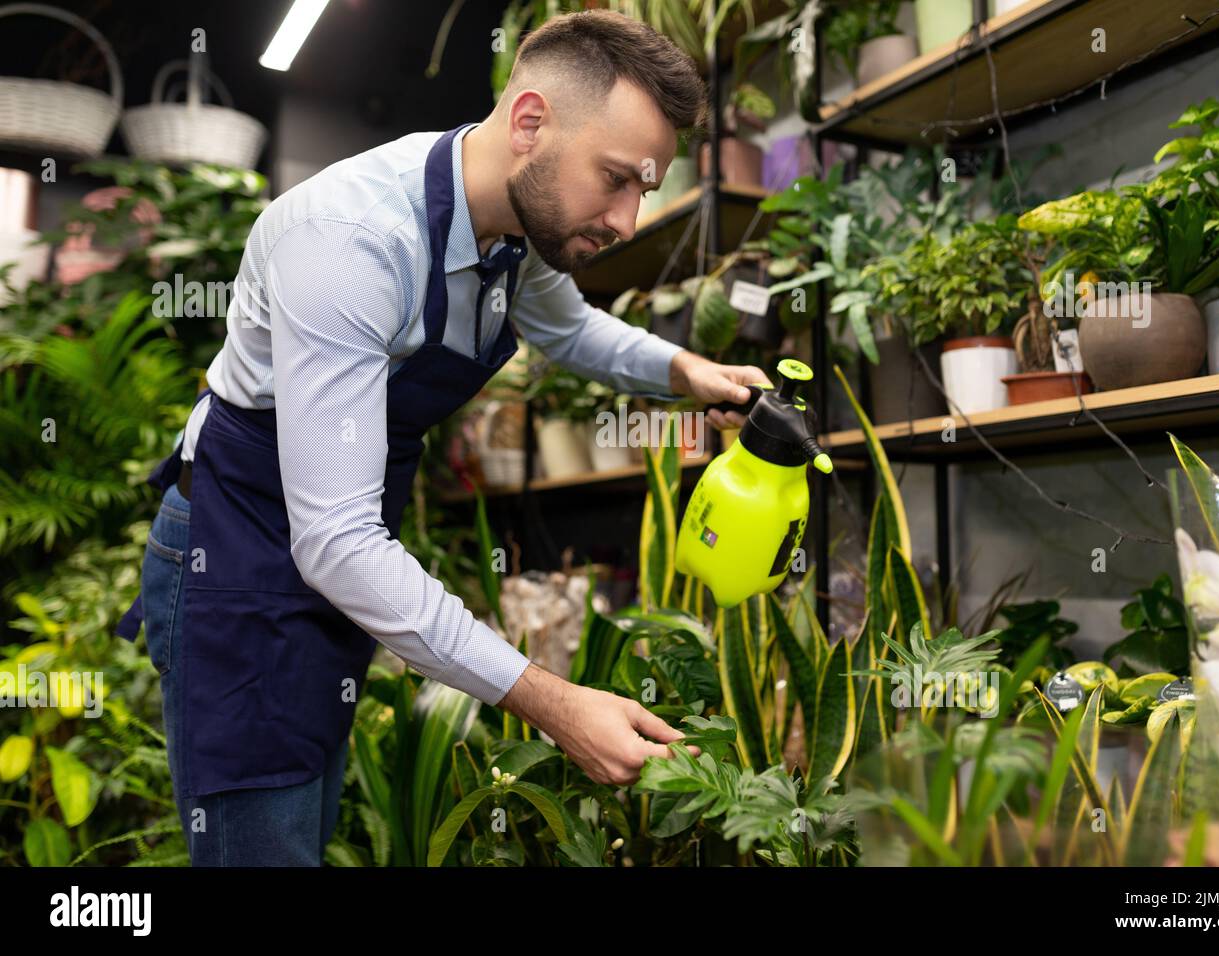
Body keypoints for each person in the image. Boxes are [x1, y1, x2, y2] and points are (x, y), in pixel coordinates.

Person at [114, 9, 771, 866]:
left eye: (643, 187)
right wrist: (552, 701)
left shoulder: (517, 224)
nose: (628, 219)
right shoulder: (351, 244)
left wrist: (687, 371)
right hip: (240, 557)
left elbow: (567, 328)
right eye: (615, 178)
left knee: (302, 821)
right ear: (530, 122)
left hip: (332, 551)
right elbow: (338, 541)